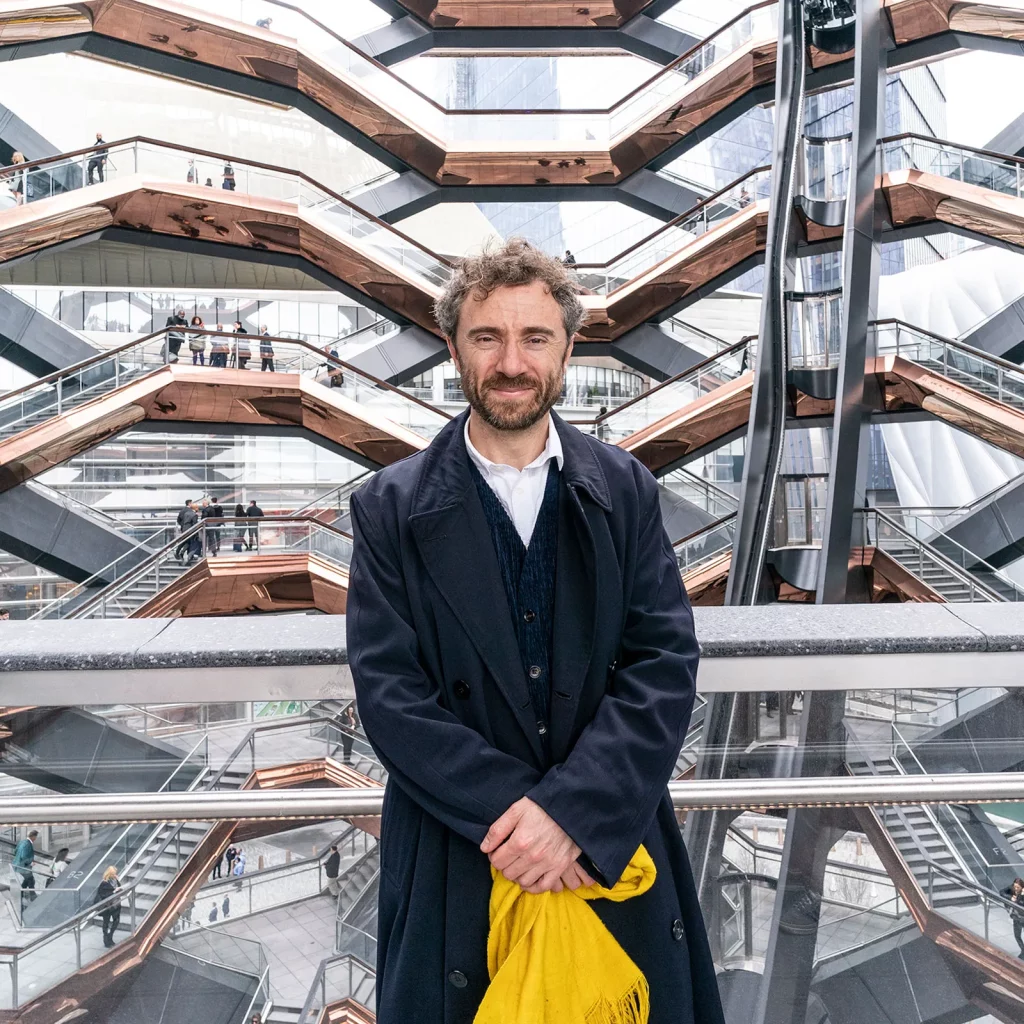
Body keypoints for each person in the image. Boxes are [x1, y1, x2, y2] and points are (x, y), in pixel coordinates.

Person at [346, 239, 721, 1024]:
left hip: (605, 840)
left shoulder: (626, 490)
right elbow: (391, 698)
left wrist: (574, 818)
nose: (511, 362)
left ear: (568, 350)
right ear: (453, 348)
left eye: (534, 338)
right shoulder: (388, 508)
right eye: (487, 337)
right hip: (464, 849)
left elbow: (663, 664)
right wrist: (533, 826)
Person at [95, 866, 121, 948]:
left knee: (116, 921)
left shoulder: (115, 880)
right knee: (106, 922)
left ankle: (110, 935)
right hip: (107, 906)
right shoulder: (104, 883)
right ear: (109, 874)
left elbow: (119, 888)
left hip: (116, 904)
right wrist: (114, 891)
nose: (115, 875)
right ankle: (106, 938)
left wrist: (118, 884)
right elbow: (104, 895)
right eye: (113, 874)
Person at [13, 830, 37, 901]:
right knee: (31, 880)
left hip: (17, 864)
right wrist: (30, 862)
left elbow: (15, 851)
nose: (35, 839)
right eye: (35, 837)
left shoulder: (22, 842)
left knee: (27, 879)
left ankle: (20, 893)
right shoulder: (28, 844)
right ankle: (32, 897)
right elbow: (24, 856)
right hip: (23, 866)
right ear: (33, 836)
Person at [1008, 878, 1024, 958]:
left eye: (1018, 887)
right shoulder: (1013, 889)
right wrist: (1010, 898)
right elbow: (1001, 892)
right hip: (1016, 918)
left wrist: (1020, 895)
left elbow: (1020, 904)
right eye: (1015, 887)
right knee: (1017, 935)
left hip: (1023, 918)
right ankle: (1023, 950)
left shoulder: (1022, 894)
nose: (1016, 889)